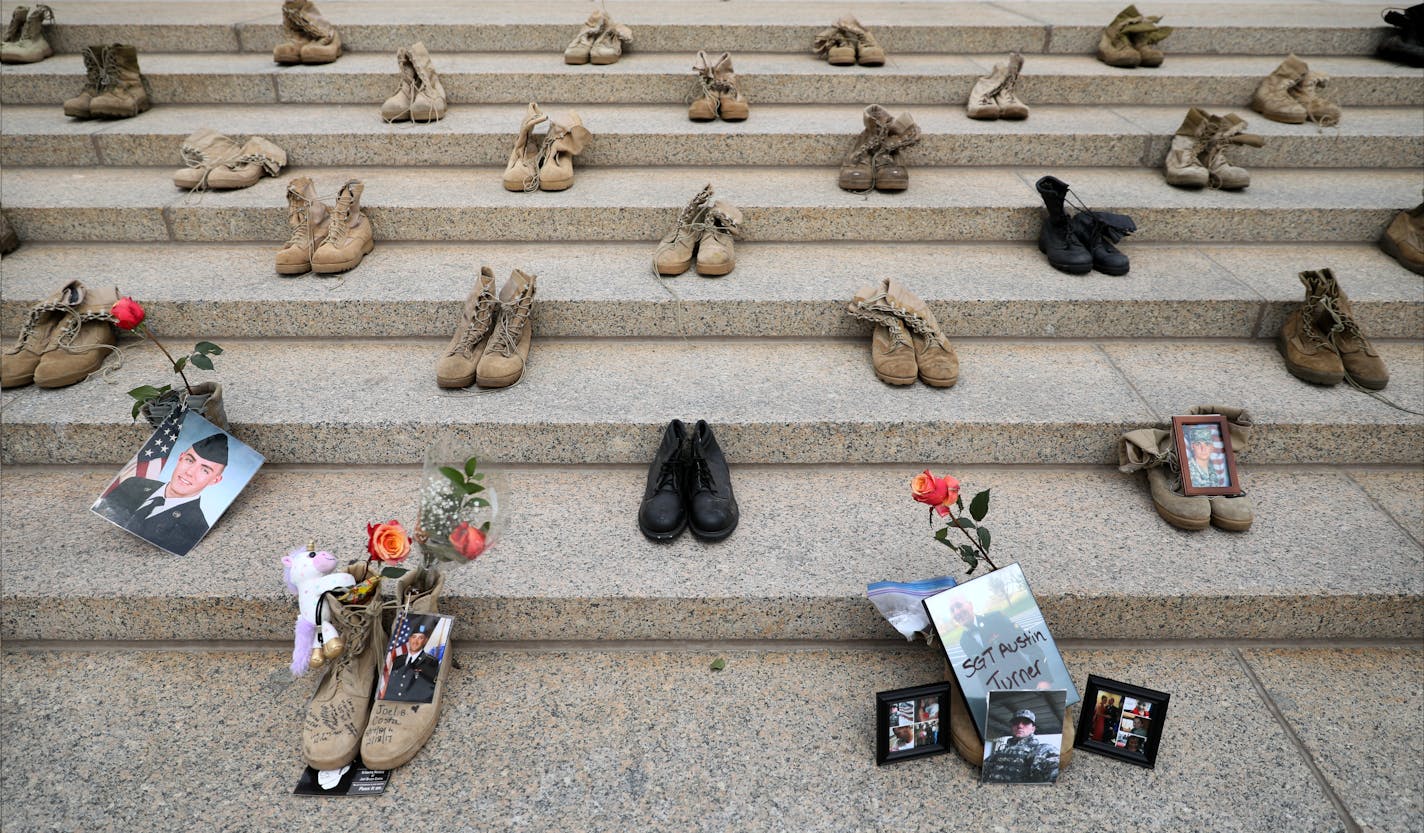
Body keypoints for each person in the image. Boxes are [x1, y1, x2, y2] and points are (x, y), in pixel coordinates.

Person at [93, 432, 228, 555]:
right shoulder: (132, 484)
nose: (189, 472)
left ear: (215, 480)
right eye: (190, 460)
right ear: (181, 458)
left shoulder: (196, 529)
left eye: (205, 470)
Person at [950, 595, 1045, 671]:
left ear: (970, 605)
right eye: (952, 610)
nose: (956, 612)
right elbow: (982, 673)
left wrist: (1043, 679)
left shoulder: (995, 618)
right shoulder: (964, 641)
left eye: (959, 605)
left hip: (1025, 680)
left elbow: (1030, 647)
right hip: (998, 693)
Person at [982, 709, 1060, 784]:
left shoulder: (1042, 750)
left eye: (1026, 722)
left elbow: (1055, 770)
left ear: (1033, 729)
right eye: (1016, 722)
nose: (1019, 726)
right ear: (1012, 727)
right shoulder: (999, 752)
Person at [384, 625, 441, 703]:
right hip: (391, 701)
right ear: (409, 639)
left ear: (425, 641)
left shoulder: (431, 661)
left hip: (415, 704)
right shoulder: (398, 659)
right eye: (414, 637)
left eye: (420, 638)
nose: (416, 641)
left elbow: (427, 689)